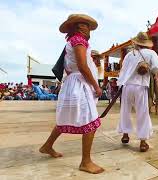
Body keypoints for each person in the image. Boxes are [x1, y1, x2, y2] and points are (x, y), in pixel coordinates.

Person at [39, 14, 104, 174]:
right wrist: (96, 86)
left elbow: (70, 67)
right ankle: (85, 162)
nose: (85, 28)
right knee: (91, 121)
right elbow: (82, 66)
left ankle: (47, 146)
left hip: (72, 84)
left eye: (86, 25)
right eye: (82, 25)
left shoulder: (72, 42)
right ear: (76, 28)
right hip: (79, 85)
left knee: (64, 119)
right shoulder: (78, 41)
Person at [117, 32, 158, 152]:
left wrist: (120, 84)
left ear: (136, 43)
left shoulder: (129, 54)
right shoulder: (151, 53)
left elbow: (123, 70)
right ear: (146, 43)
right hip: (140, 86)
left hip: (127, 86)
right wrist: (149, 69)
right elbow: (157, 68)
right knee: (142, 112)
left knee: (125, 110)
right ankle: (142, 142)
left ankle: (125, 135)